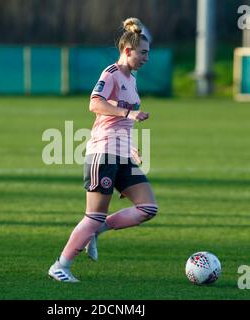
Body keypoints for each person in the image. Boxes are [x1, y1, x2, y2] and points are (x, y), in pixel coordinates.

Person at [48, 17, 158, 282]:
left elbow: (121, 123)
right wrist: (128, 113)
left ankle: (95, 232)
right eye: (142, 53)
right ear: (127, 50)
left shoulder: (131, 80)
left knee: (148, 208)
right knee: (94, 215)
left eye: (148, 53)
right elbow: (95, 104)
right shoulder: (111, 73)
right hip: (103, 153)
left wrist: (131, 147)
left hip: (121, 154)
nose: (146, 58)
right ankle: (60, 266)